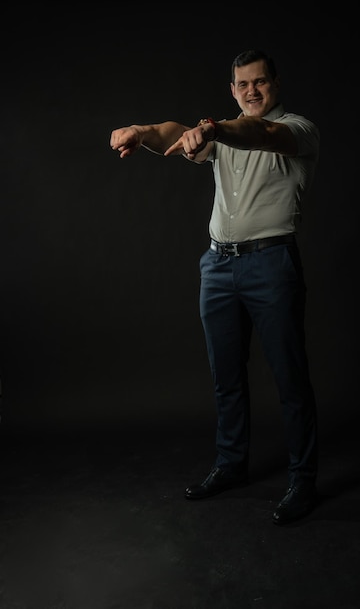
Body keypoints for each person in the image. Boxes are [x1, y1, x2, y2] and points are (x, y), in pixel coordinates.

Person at [110, 49, 320, 525]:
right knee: (225, 377)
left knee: (290, 378)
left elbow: (260, 132)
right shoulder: (220, 132)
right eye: (242, 84)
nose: (251, 91)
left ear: (275, 83)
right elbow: (172, 132)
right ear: (232, 89)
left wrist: (213, 127)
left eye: (260, 82)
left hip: (271, 264)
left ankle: (303, 479)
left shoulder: (297, 129)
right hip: (218, 267)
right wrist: (142, 133)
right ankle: (230, 466)